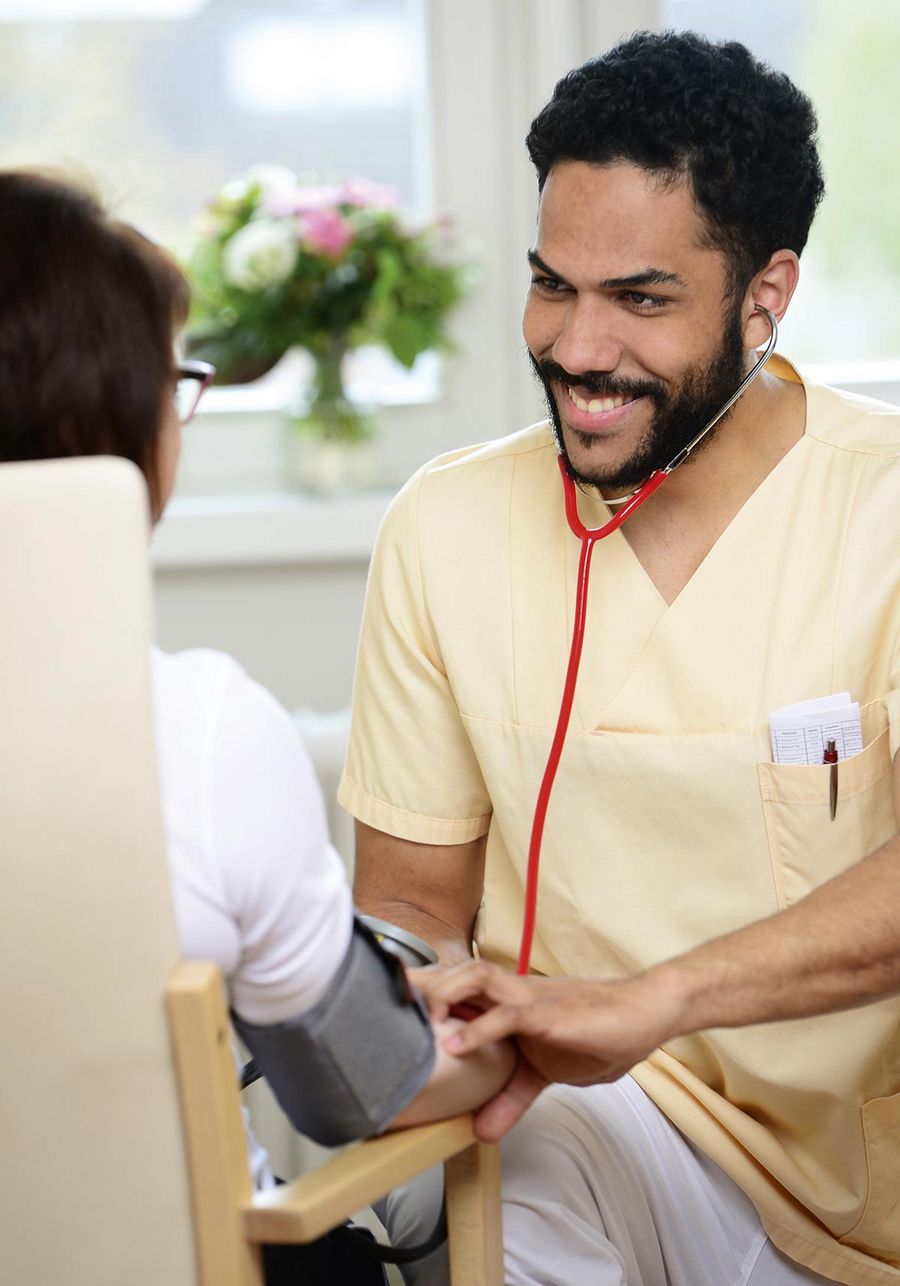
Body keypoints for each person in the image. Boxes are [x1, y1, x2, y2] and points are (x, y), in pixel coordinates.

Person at [338, 29, 900, 1286]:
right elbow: (417, 907)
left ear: (767, 295)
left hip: (860, 1197)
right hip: (586, 1123)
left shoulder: (885, 509)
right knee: (518, 1191)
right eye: (554, 285)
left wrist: (659, 996)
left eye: (640, 300)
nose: (577, 350)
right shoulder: (444, 525)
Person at [0, 168, 516, 1282]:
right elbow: (363, 1089)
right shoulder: (194, 732)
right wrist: (496, 1033)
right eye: (173, 388)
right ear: (103, 425)